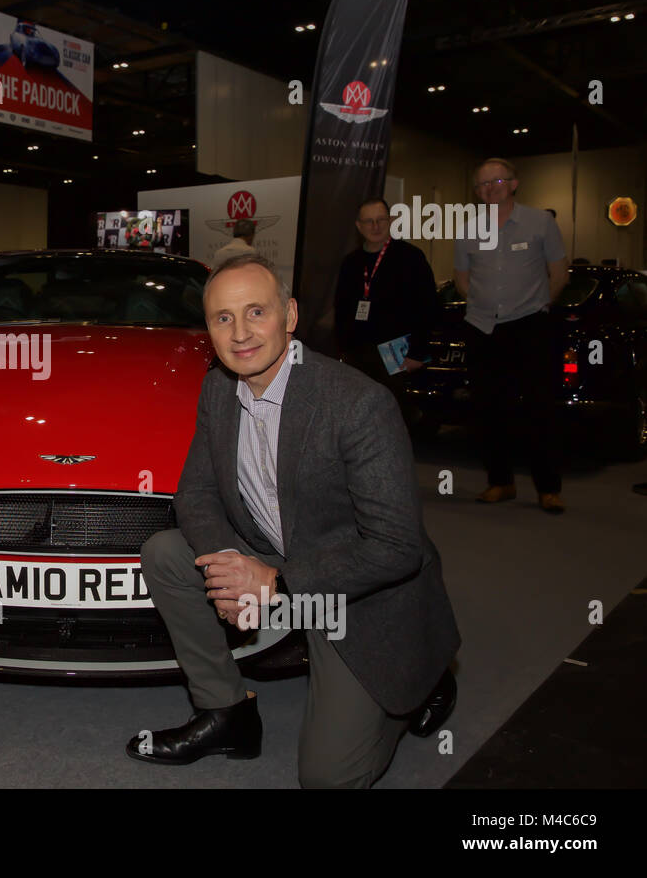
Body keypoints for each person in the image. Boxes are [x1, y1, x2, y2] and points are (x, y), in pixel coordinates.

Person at [127, 254, 459, 787]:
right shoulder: (218, 388)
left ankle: (422, 680)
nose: (240, 334)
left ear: (290, 315)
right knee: (166, 554)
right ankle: (226, 711)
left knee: (326, 778)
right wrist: (230, 568)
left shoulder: (357, 403)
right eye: (222, 318)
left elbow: (397, 547)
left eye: (255, 311)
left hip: (358, 587)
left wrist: (276, 582)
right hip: (279, 552)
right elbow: (196, 492)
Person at [454, 158, 569, 513]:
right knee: (489, 410)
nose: (490, 188)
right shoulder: (468, 229)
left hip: (530, 326)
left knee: (540, 409)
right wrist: (479, 305)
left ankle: (548, 489)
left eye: (497, 181)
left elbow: (559, 273)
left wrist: (539, 307)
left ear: (514, 183)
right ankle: (500, 482)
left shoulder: (541, 222)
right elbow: (461, 276)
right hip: (483, 328)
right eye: (482, 184)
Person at [333, 197, 439, 414]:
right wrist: (343, 348)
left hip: (397, 355)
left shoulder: (410, 257)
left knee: (395, 415)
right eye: (369, 221)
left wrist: (418, 352)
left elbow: (428, 306)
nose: (375, 226)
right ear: (358, 226)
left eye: (380, 220)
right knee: (359, 413)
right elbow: (341, 308)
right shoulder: (351, 262)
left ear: (390, 221)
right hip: (358, 355)